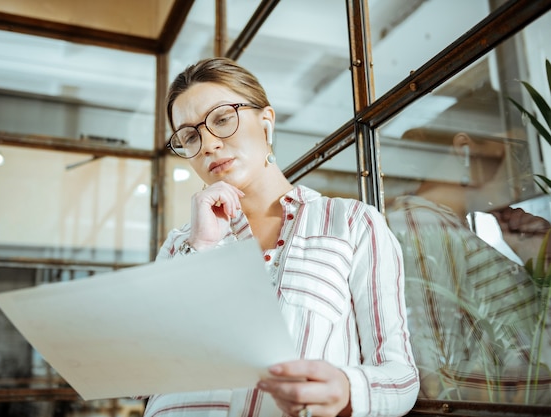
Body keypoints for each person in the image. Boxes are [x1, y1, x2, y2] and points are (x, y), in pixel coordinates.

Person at [142, 57, 419, 417]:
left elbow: (400, 375)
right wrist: (202, 249)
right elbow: (144, 379)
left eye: (222, 119)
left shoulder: (350, 223)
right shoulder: (181, 244)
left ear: (266, 122)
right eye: (190, 136)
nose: (208, 144)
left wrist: (346, 390)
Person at [385, 128, 551, 404]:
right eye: (518, 154)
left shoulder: (447, 228)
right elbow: (439, 376)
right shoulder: (423, 226)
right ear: (465, 150)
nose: (524, 174)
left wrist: (539, 260)